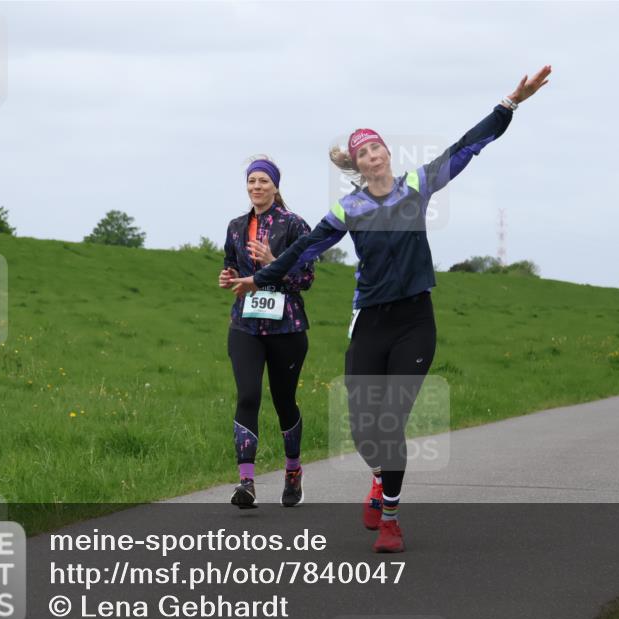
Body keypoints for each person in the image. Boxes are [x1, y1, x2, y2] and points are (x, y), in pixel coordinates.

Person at [230, 65, 553, 552]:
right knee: (363, 429)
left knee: (391, 424)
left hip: (415, 322)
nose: (373, 155)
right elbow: (304, 252)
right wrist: (261, 276)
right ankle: (379, 478)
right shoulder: (349, 209)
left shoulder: (417, 186)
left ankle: (392, 520)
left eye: (377, 147)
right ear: (357, 165)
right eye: (363, 152)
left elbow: (467, 146)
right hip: (370, 322)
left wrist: (509, 104)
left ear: (387, 153)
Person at [218, 157, 315, 509]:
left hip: (286, 326)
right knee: (247, 396)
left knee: (284, 401)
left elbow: (306, 278)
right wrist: (228, 277)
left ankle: (292, 472)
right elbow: (231, 264)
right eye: (251, 181)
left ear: (275, 186)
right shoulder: (236, 226)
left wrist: (275, 261)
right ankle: (246, 481)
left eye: (263, 181)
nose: (256, 186)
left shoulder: (295, 225)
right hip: (244, 325)